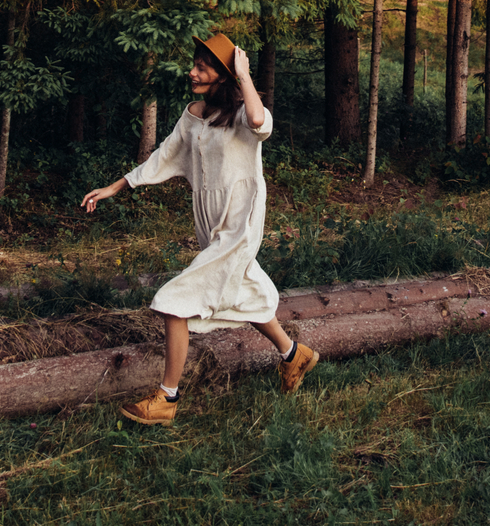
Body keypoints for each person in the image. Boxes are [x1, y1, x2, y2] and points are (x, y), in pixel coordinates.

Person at [79, 31, 318, 425]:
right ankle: (295, 355)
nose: (191, 72)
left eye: (202, 68)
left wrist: (243, 73)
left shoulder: (243, 114)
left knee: (175, 301)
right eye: (194, 65)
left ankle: (167, 399)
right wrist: (115, 187)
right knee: (243, 291)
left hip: (239, 226)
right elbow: (164, 156)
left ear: (222, 77)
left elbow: (261, 122)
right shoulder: (193, 115)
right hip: (210, 224)